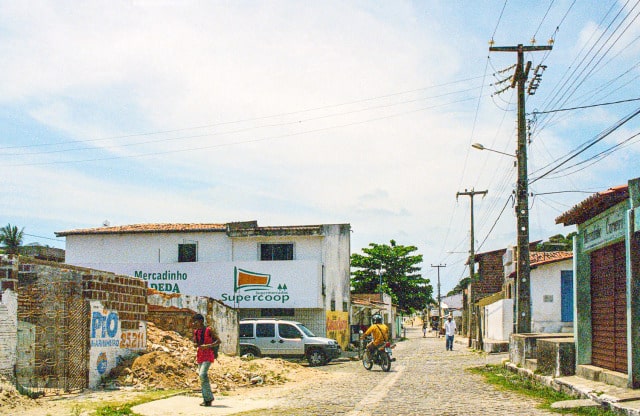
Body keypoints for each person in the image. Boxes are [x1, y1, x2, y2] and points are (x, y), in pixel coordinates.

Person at [192, 313, 221, 407]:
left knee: (202, 374)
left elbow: (218, 341)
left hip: (208, 355)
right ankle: (207, 399)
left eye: (195, 321)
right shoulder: (196, 331)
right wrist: (196, 344)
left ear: (200, 321)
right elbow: (196, 342)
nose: (194, 323)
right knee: (202, 378)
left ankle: (208, 398)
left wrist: (208, 346)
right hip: (200, 355)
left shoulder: (209, 330)